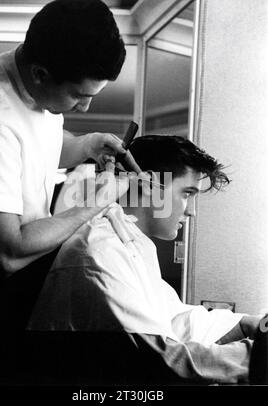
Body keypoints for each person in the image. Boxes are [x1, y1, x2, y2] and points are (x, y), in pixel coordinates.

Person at [28, 135, 264, 385]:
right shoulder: (99, 250)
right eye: (187, 193)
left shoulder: (132, 243)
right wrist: (260, 354)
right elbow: (163, 359)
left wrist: (252, 324)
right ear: (150, 185)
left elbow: (177, 321)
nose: (191, 211)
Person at [0, 0, 139, 336]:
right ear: (40, 74)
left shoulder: (27, 75)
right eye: (79, 95)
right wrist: (96, 202)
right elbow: (7, 254)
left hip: (23, 256)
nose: (86, 107)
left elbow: (35, 149)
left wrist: (87, 144)